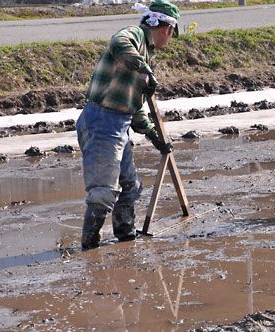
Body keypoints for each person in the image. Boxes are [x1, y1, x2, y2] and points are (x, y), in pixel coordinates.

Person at [76, 0, 179, 250]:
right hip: (101, 120)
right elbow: (118, 42)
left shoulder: (146, 55)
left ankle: (125, 236)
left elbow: (136, 108)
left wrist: (155, 137)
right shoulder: (134, 36)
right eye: (172, 34)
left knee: (131, 186)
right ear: (166, 29)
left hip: (119, 123)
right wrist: (144, 69)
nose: (170, 39)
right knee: (104, 192)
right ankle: (89, 249)